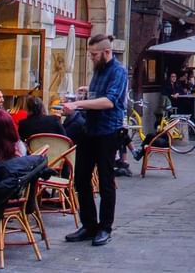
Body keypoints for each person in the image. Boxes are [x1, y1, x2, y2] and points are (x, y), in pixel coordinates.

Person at [62, 33, 128, 248]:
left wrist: (78, 106)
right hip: (89, 129)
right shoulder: (98, 70)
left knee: (106, 180)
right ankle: (89, 224)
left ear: (107, 52)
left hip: (108, 131)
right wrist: (86, 93)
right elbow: (97, 97)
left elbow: (109, 101)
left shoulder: (119, 71)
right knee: (81, 178)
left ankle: (105, 227)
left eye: (94, 54)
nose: (91, 57)